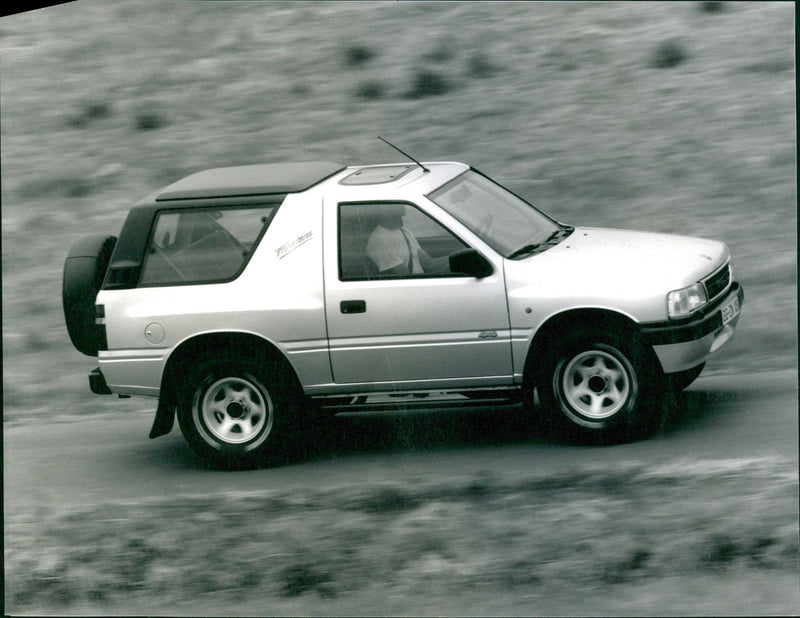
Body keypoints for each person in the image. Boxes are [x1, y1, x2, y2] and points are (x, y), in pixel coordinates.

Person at [365, 204, 449, 276]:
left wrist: (455, 259)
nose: (402, 205)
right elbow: (405, 278)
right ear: (384, 209)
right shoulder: (380, 240)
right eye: (396, 202)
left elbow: (429, 264)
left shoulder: (404, 231)